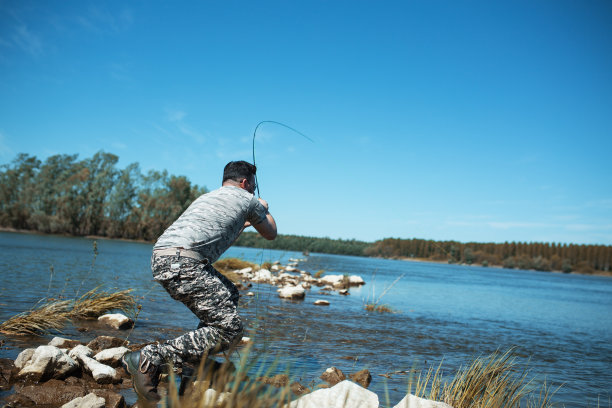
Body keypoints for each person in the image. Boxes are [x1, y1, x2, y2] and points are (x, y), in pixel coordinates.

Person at [123, 160, 277, 402]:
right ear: (245, 183)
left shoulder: (209, 197)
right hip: (183, 262)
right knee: (230, 330)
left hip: (165, 256)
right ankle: (149, 357)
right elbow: (271, 233)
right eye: (253, 187)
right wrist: (263, 207)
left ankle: (194, 365)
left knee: (229, 293)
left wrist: (246, 221)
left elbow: (222, 231)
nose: (253, 192)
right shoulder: (248, 200)